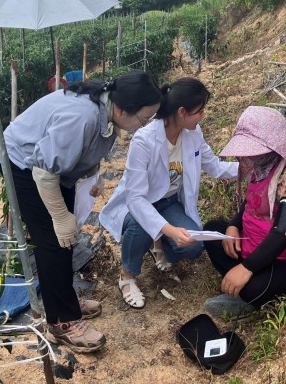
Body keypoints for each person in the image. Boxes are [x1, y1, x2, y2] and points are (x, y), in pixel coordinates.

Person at [0, 70, 161, 352]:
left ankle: (64, 298)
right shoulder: (83, 116)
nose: (144, 125)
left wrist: (93, 176)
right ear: (123, 108)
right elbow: (43, 172)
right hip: (24, 167)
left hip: (51, 170)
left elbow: (82, 152)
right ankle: (62, 322)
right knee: (54, 242)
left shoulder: (105, 109)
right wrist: (59, 215)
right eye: (143, 119)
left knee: (66, 240)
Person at [100, 78, 238, 309]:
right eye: (199, 111)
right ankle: (127, 275)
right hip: (138, 203)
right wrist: (170, 230)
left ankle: (159, 244)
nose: (202, 115)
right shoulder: (144, 141)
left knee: (193, 245)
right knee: (141, 224)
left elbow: (214, 166)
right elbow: (135, 198)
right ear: (182, 112)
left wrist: (249, 168)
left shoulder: (193, 133)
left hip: (168, 201)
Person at [203, 106, 286, 317]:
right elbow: (251, 202)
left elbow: (284, 232)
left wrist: (246, 268)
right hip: (259, 242)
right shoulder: (264, 164)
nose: (249, 156)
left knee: (253, 288)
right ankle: (246, 281)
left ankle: (248, 289)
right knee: (214, 231)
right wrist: (234, 225)